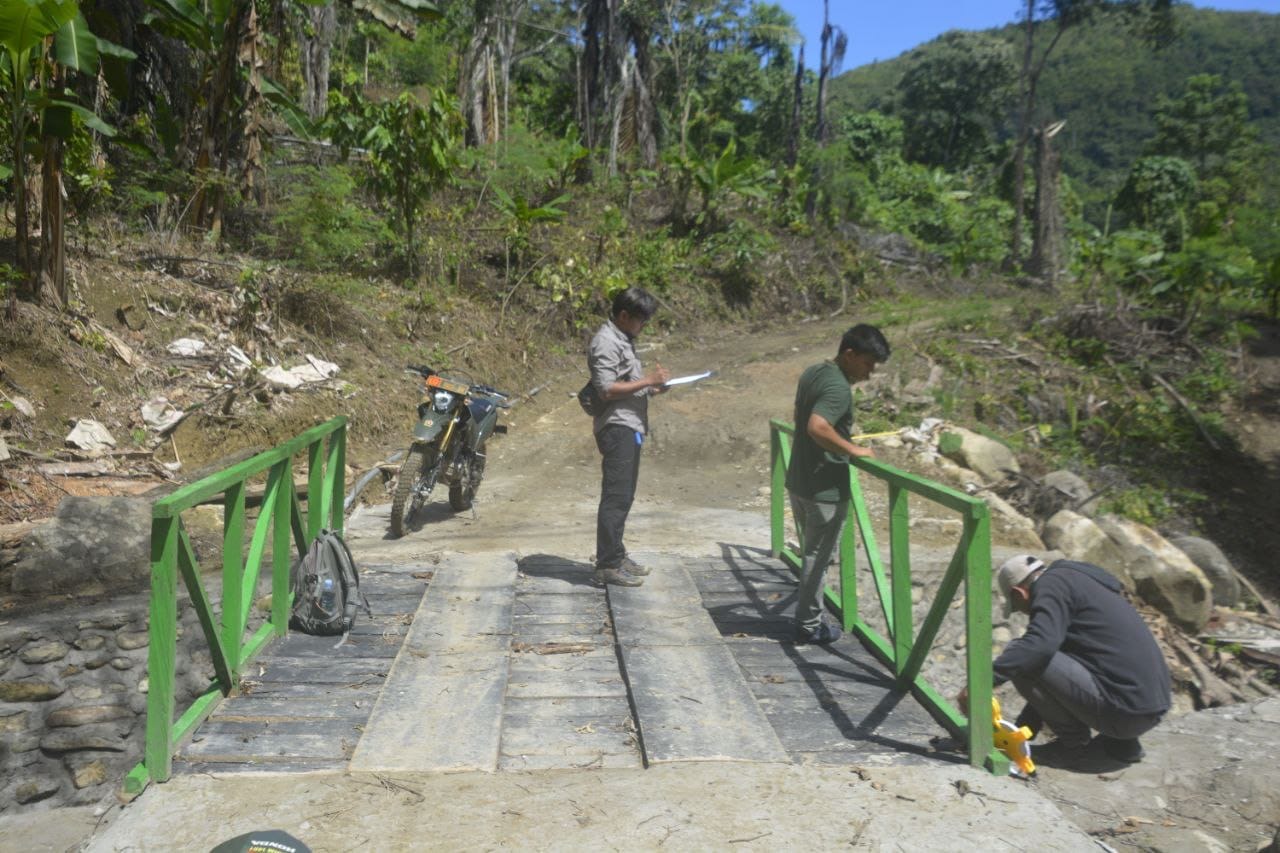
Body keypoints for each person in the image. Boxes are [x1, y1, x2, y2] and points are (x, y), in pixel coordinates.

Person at [958, 554, 1171, 766]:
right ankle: (1123, 744)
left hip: (1126, 712)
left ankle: (1073, 746)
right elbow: (1051, 681)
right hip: (1147, 708)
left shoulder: (1051, 586)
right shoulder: (1078, 582)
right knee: (1037, 656)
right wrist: (1020, 736)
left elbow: (1038, 649)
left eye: (1018, 607)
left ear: (1019, 593)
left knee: (1021, 651)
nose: (1025, 613)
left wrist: (981, 684)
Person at [786, 324, 890, 644]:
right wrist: (854, 449)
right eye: (868, 364)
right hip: (824, 489)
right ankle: (809, 625)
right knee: (818, 559)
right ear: (849, 354)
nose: (870, 373)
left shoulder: (814, 372)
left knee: (812, 554)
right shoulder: (839, 388)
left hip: (800, 480)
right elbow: (818, 426)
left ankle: (809, 617)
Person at [587, 287, 670, 586]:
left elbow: (630, 383)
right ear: (624, 316)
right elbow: (606, 389)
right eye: (641, 321)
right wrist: (648, 380)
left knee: (625, 495)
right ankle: (607, 564)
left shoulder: (623, 340)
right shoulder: (605, 342)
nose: (643, 327)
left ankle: (616, 554)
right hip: (617, 427)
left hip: (630, 426)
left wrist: (653, 387)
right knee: (616, 497)